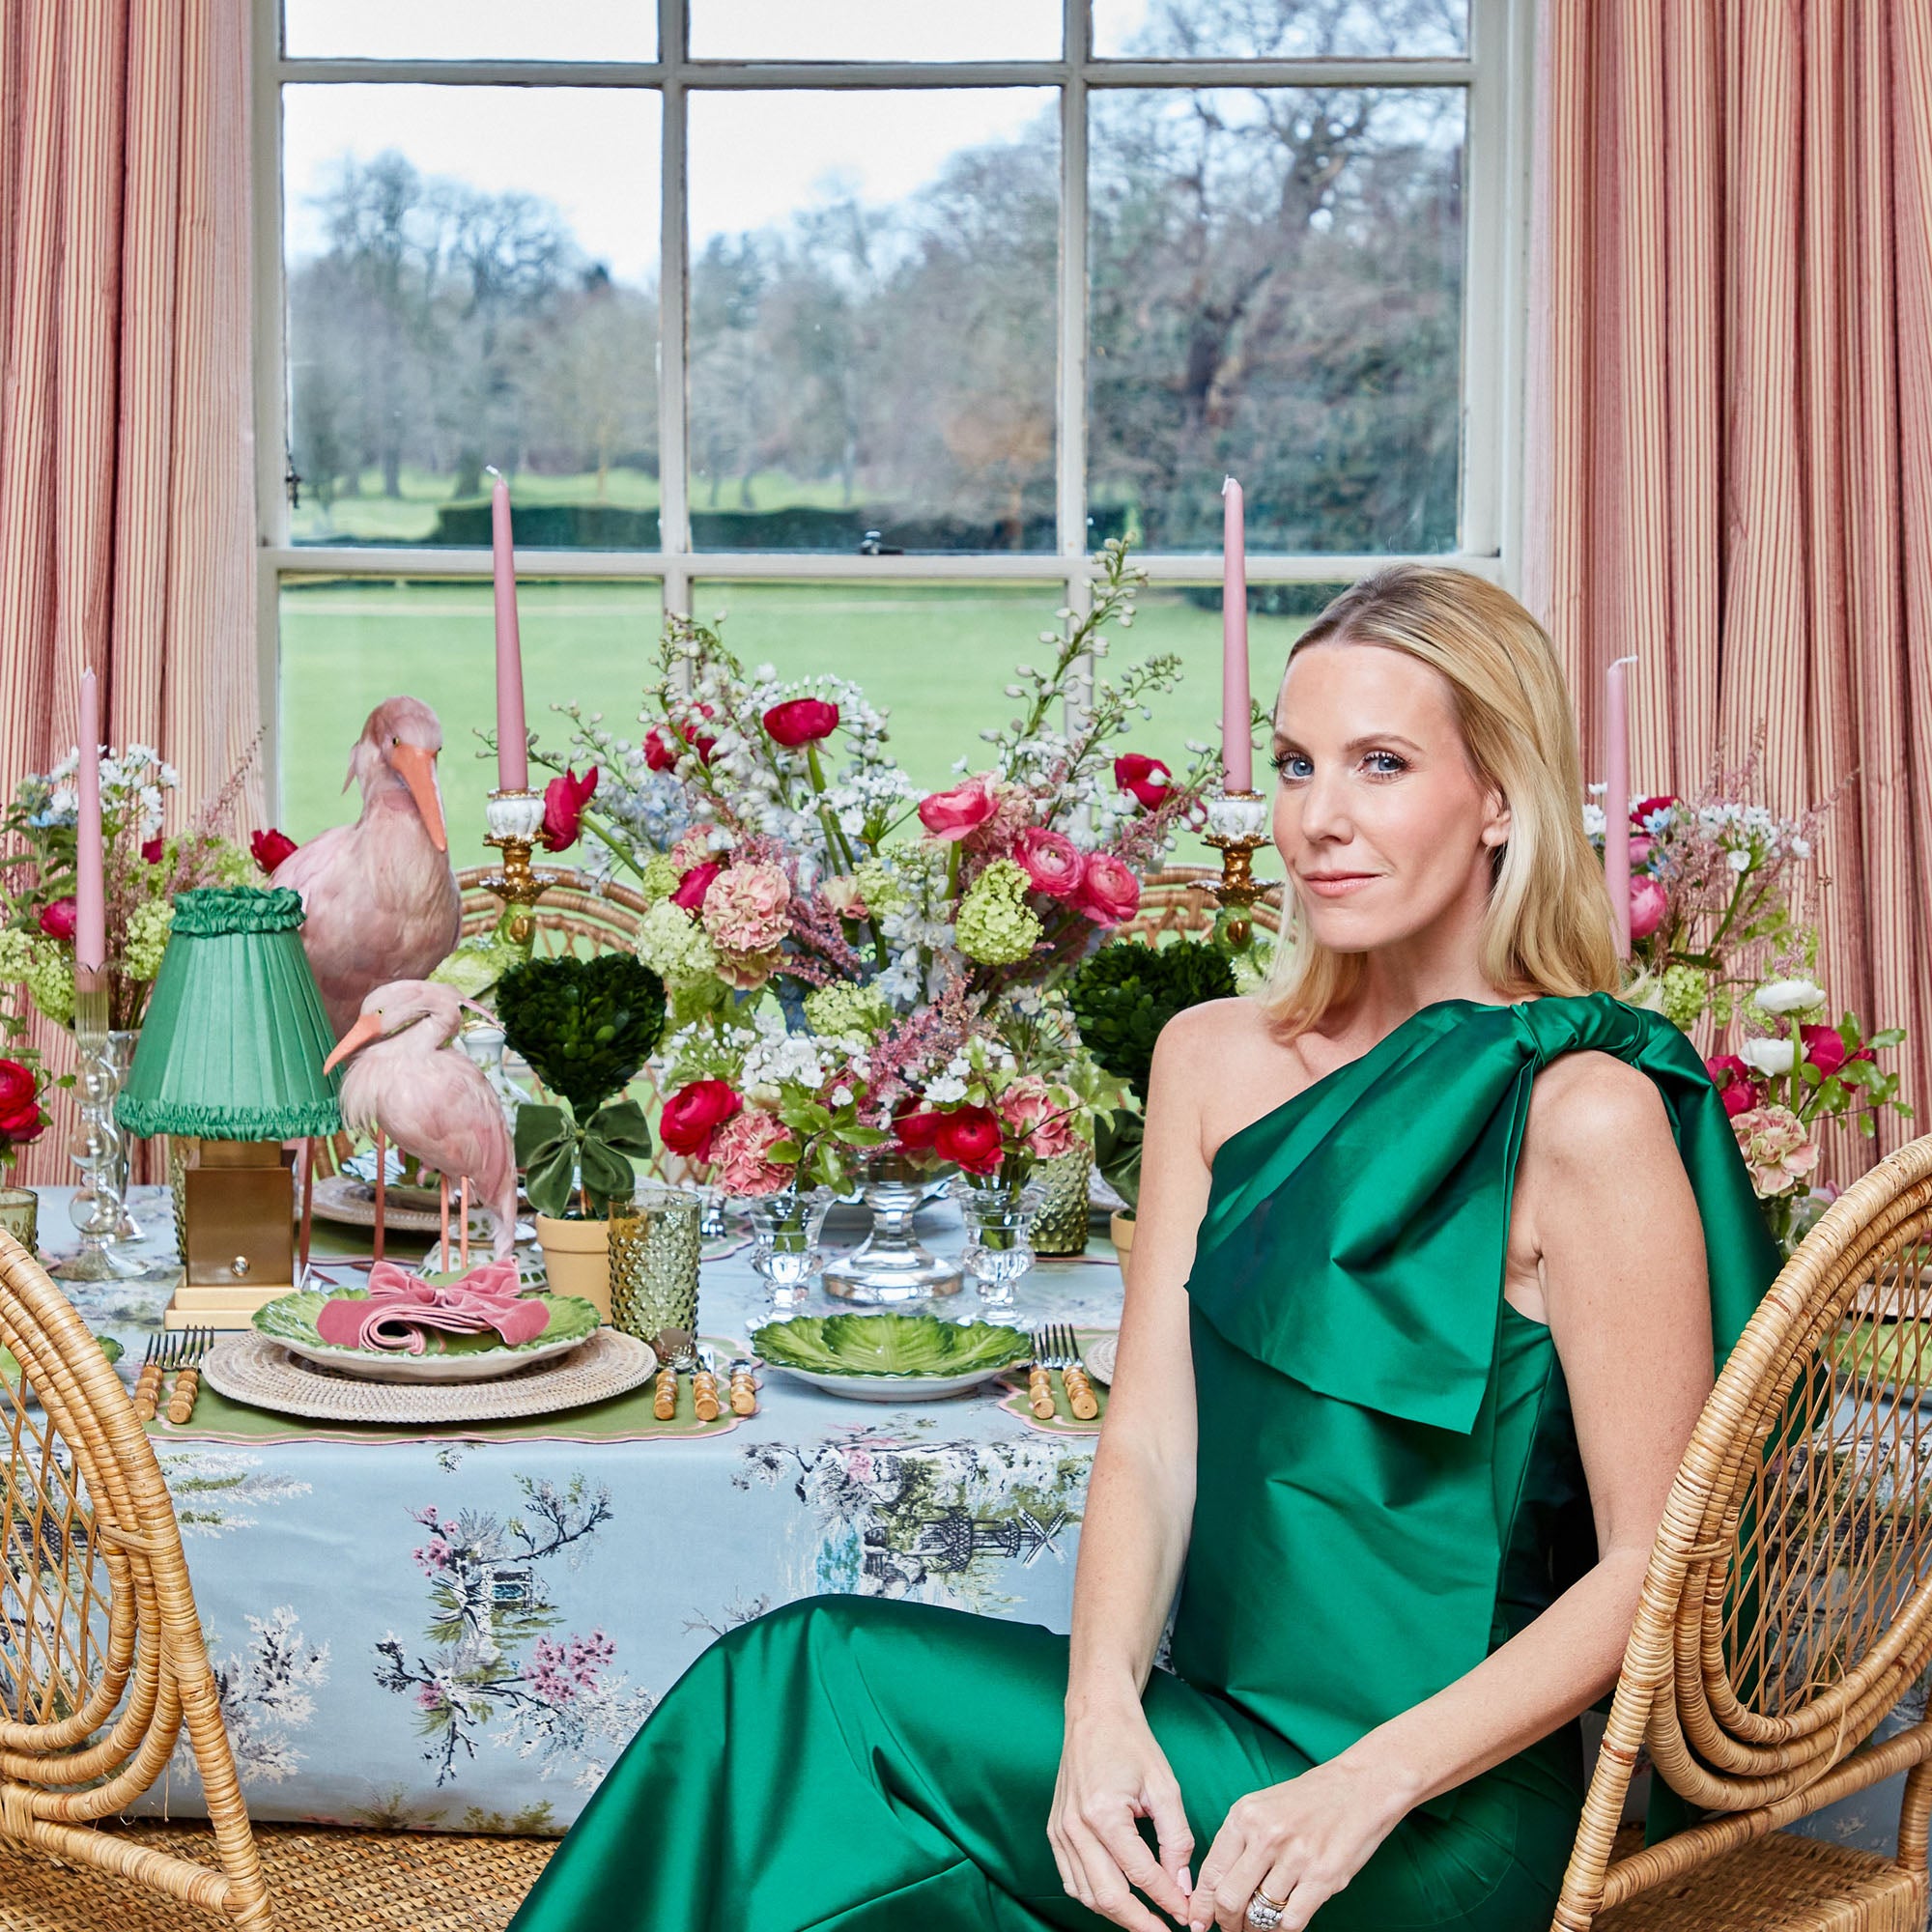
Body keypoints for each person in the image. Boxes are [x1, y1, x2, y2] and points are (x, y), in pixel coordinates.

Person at [509, 567, 1780, 1932]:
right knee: (830, 1838)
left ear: (1500, 801)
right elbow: (1154, 1443)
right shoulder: (1212, 1060)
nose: (1319, 820)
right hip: (1206, 1743)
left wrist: (1366, 1785)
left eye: (1382, 765)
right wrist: (1100, 1713)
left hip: (1423, 1818)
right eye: (1296, 764)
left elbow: (1657, 1561)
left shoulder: (1589, 1114)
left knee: (807, 1684)